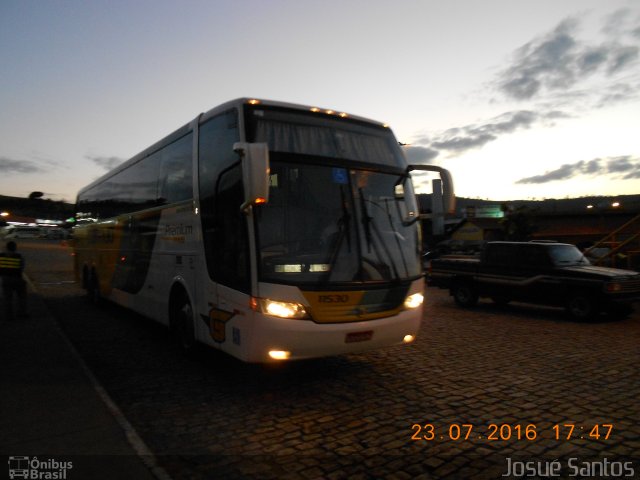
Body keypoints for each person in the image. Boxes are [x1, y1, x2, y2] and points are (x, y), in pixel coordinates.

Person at [0, 241, 28, 320]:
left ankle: (8, 315)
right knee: (22, 297)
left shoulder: (1, 256)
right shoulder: (19, 256)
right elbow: (22, 267)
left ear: (7, 247)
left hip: (5, 279)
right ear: (15, 248)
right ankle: (21, 313)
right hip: (17, 278)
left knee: (7, 298)